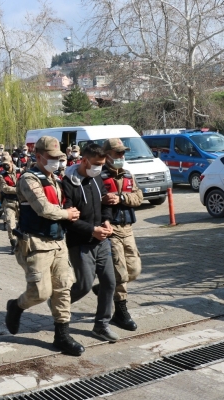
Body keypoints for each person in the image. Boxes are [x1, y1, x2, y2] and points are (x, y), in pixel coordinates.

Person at [4, 136, 85, 356]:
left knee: (63, 288)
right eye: (52, 157)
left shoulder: (55, 179)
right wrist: (67, 214)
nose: (57, 161)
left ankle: (62, 335)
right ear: (39, 156)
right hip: (36, 243)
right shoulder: (28, 179)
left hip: (58, 242)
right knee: (41, 292)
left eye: (59, 157)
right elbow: (43, 208)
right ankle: (16, 306)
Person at [61, 143, 119, 343]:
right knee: (84, 285)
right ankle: (59, 305)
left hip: (101, 241)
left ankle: (101, 325)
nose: (99, 168)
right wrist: (91, 230)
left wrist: (107, 221)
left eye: (102, 164)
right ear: (84, 160)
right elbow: (67, 218)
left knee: (109, 282)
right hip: (80, 243)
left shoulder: (97, 178)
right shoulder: (67, 183)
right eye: (96, 164)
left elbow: (105, 203)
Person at [98, 138, 144, 331]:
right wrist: (104, 199)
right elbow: (89, 200)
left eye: (123, 153)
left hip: (128, 229)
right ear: (107, 155)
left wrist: (122, 197)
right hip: (111, 229)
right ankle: (121, 312)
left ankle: (105, 288)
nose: (121, 156)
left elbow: (139, 197)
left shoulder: (128, 175)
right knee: (120, 273)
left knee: (134, 270)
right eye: (118, 153)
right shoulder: (98, 176)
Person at [0, 155, 20, 254]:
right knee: (10, 224)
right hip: (9, 202)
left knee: (24, 224)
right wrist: (19, 189)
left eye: (7, 164)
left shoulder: (20, 172)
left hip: (21, 202)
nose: (5, 166)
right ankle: (13, 244)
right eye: (3, 164)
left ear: (11, 162)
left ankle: (23, 243)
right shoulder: (1, 175)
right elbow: (5, 188)